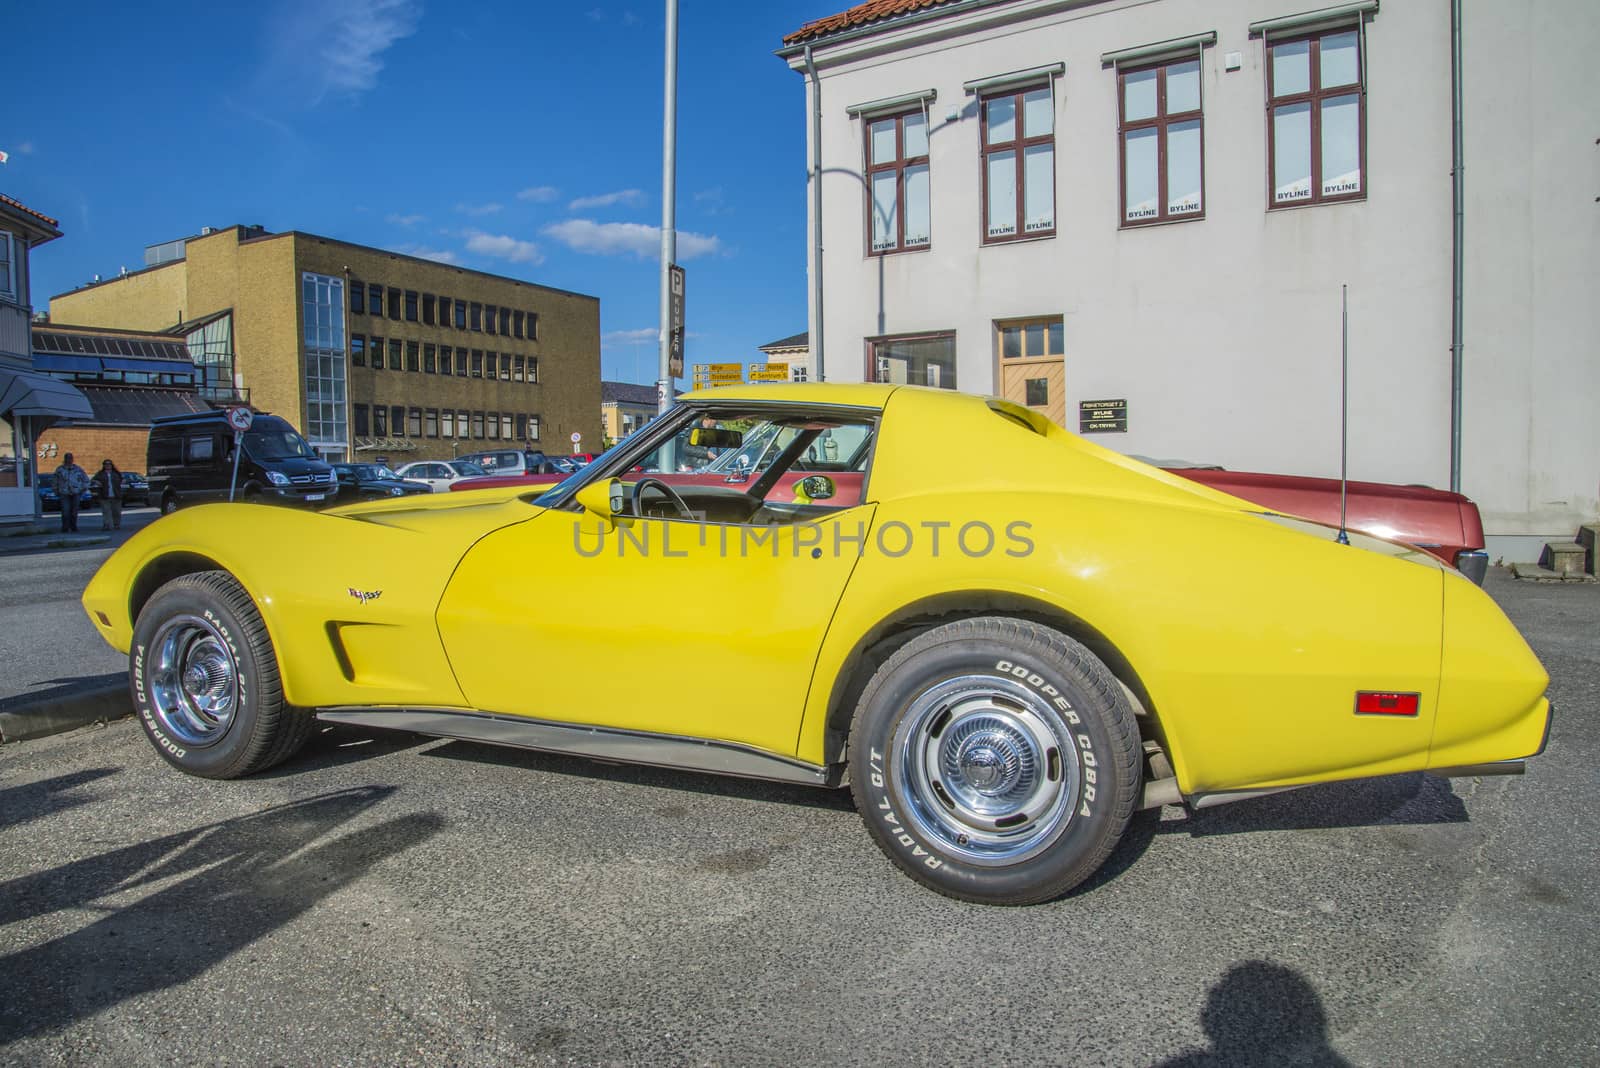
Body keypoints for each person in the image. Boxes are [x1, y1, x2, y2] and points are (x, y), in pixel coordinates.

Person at [53, 452, 90, 533]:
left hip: (76, 492)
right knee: (65, 511)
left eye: (70, 458)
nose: (69, 460)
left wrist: (83, 489)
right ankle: (65, 527)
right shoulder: (60, 469)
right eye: (67, 458)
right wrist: (56, 490)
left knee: (74, 511)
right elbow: (55, 481)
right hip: (64, 492)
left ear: (72, 459)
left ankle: (73, 526)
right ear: (64, 459)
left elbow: (86, 480)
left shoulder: (78, 469)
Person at [91, 459, 124, 531]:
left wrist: (122, 483)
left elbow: (123, 480)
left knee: (117, 511)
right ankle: (107, 525)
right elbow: (93, 480)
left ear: (112, 465)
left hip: (116, 495)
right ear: (104, 465)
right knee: (106, 511)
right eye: (106, 464)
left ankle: (116, 524)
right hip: (104, 495)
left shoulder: (116, 473)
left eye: (109, 464)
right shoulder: (100, 474)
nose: (108, 465)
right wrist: (96, 482)